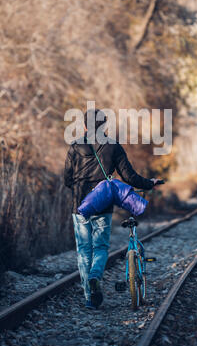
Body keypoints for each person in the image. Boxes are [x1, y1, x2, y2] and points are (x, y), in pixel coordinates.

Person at [64, 109, 162, 309]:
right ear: (104, 126)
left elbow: (67, 179)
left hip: (80, 205)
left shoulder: (74, 147)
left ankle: (89, 297)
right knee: (100, 247)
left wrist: (80, 188)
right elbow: (129, 177)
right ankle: (95, 276)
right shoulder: (113, 147)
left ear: (84, 126)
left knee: (84, 250)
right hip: (103, 205)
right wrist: (149, 183)